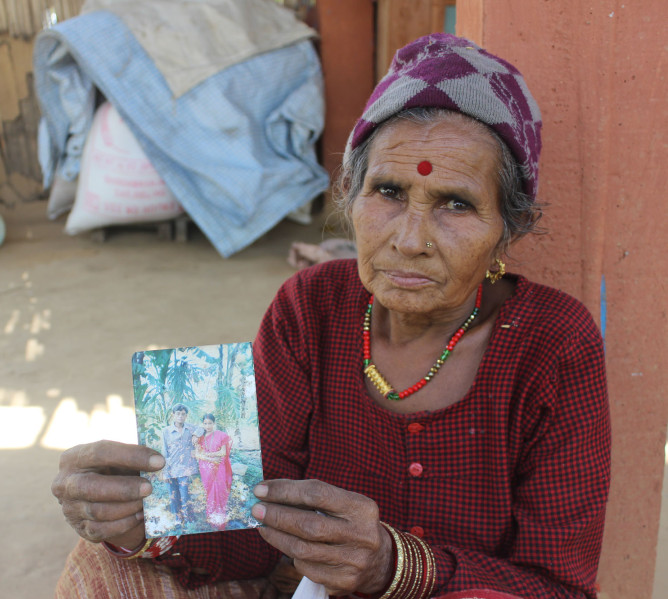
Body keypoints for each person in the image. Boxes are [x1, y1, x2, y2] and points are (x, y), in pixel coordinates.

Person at [51, 34, 610, 599]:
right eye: (388, 192)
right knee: (105, 566)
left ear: (508, 229)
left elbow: (558, 588)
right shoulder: (310, 306)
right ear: (351, 198)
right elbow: (247, 530)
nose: (409, 240)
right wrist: (137, 522)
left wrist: (395, 566)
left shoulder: (555, 343)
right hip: (301, 587)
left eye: (456, 204)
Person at [192, 413, 234, 530]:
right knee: (209, 491)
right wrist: (211, 458)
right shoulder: (199, 437)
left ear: (214, 423)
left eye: (210, 423)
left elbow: (223, 452)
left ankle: (221, 518)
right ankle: (211, 517)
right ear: (203, 424)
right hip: (205, 468)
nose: (207, 426)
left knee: (220, 490)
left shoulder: (221, 435)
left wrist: (207, 454)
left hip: (219, 467)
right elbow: (197, 454)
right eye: (205, 423)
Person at [160, 404, 198, 527]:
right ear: (173, 415)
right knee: (173, 495)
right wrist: (165, 471)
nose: (180, 416)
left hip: (185, 469)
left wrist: (196, 435)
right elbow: (164, 451)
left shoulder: (190, 428)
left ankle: (187, 518)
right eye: (178, 414)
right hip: (171, 468)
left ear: (186, 415)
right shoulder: (166, 431)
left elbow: (202, 429)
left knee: (185, 494)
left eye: (183, 414)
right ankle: (177, 517)